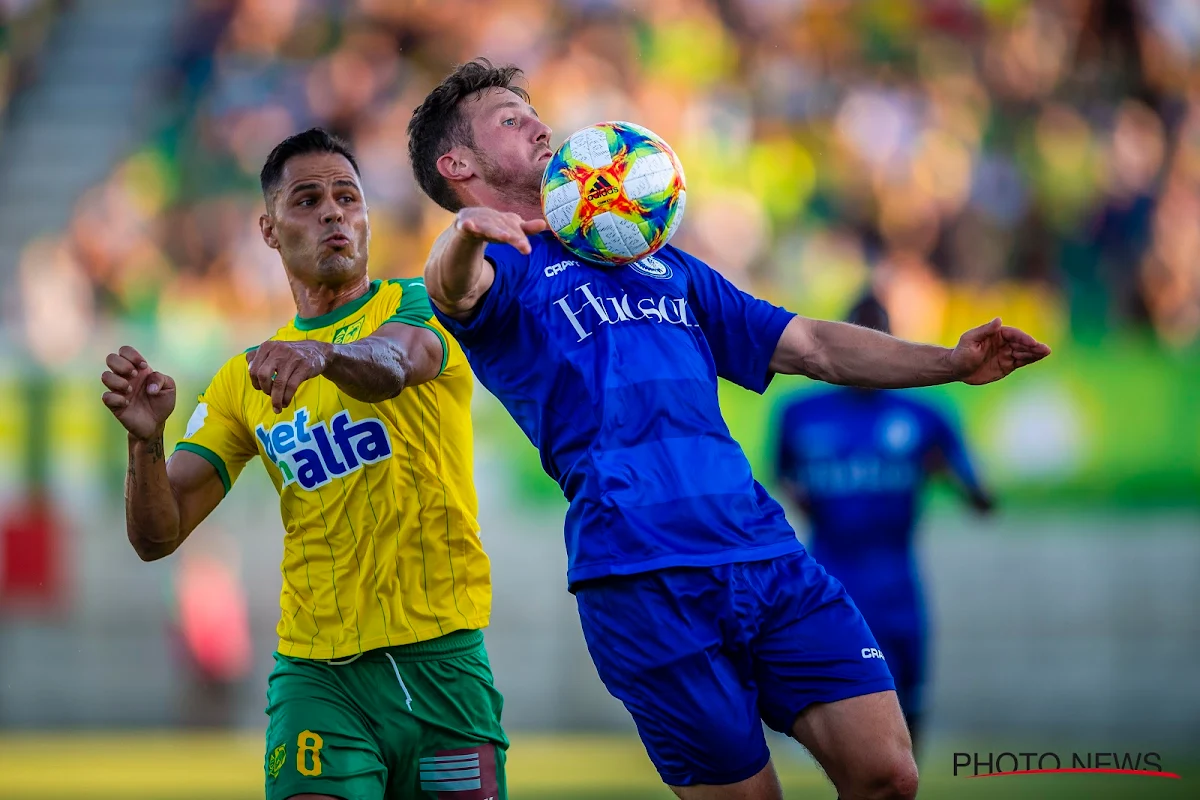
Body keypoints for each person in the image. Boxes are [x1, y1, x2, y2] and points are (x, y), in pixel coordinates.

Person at [407, 59, 1050, 800]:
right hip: (641, 575)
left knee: (888, 774)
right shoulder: (497, 268)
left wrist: (950, 361)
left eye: (534, 111)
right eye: (510, 120)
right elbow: (451, 290)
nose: (541, 124)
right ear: (458, 165)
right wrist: (463, 235)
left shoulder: (656, 258)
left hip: (764, 552)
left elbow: (809, 344)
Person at [100, 129, 507, 800]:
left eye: (348, 197)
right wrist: (145, 444)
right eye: (308, 199)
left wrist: (321, 355)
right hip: (319, 673)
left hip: (443, 660)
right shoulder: (242, 381)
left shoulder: (421, 305)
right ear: (268, 228)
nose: (332, 213)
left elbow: (393, 366)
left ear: (366, 219)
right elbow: (156, 535)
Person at [774, 293, 995, 754]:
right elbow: (781, 474)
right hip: (830, 577)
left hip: (897, 578)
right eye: (859, 335)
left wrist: (952, 477)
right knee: (838, 701)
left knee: (909, 702)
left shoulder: (924, 414)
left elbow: (983, 501)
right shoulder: (800, 414)